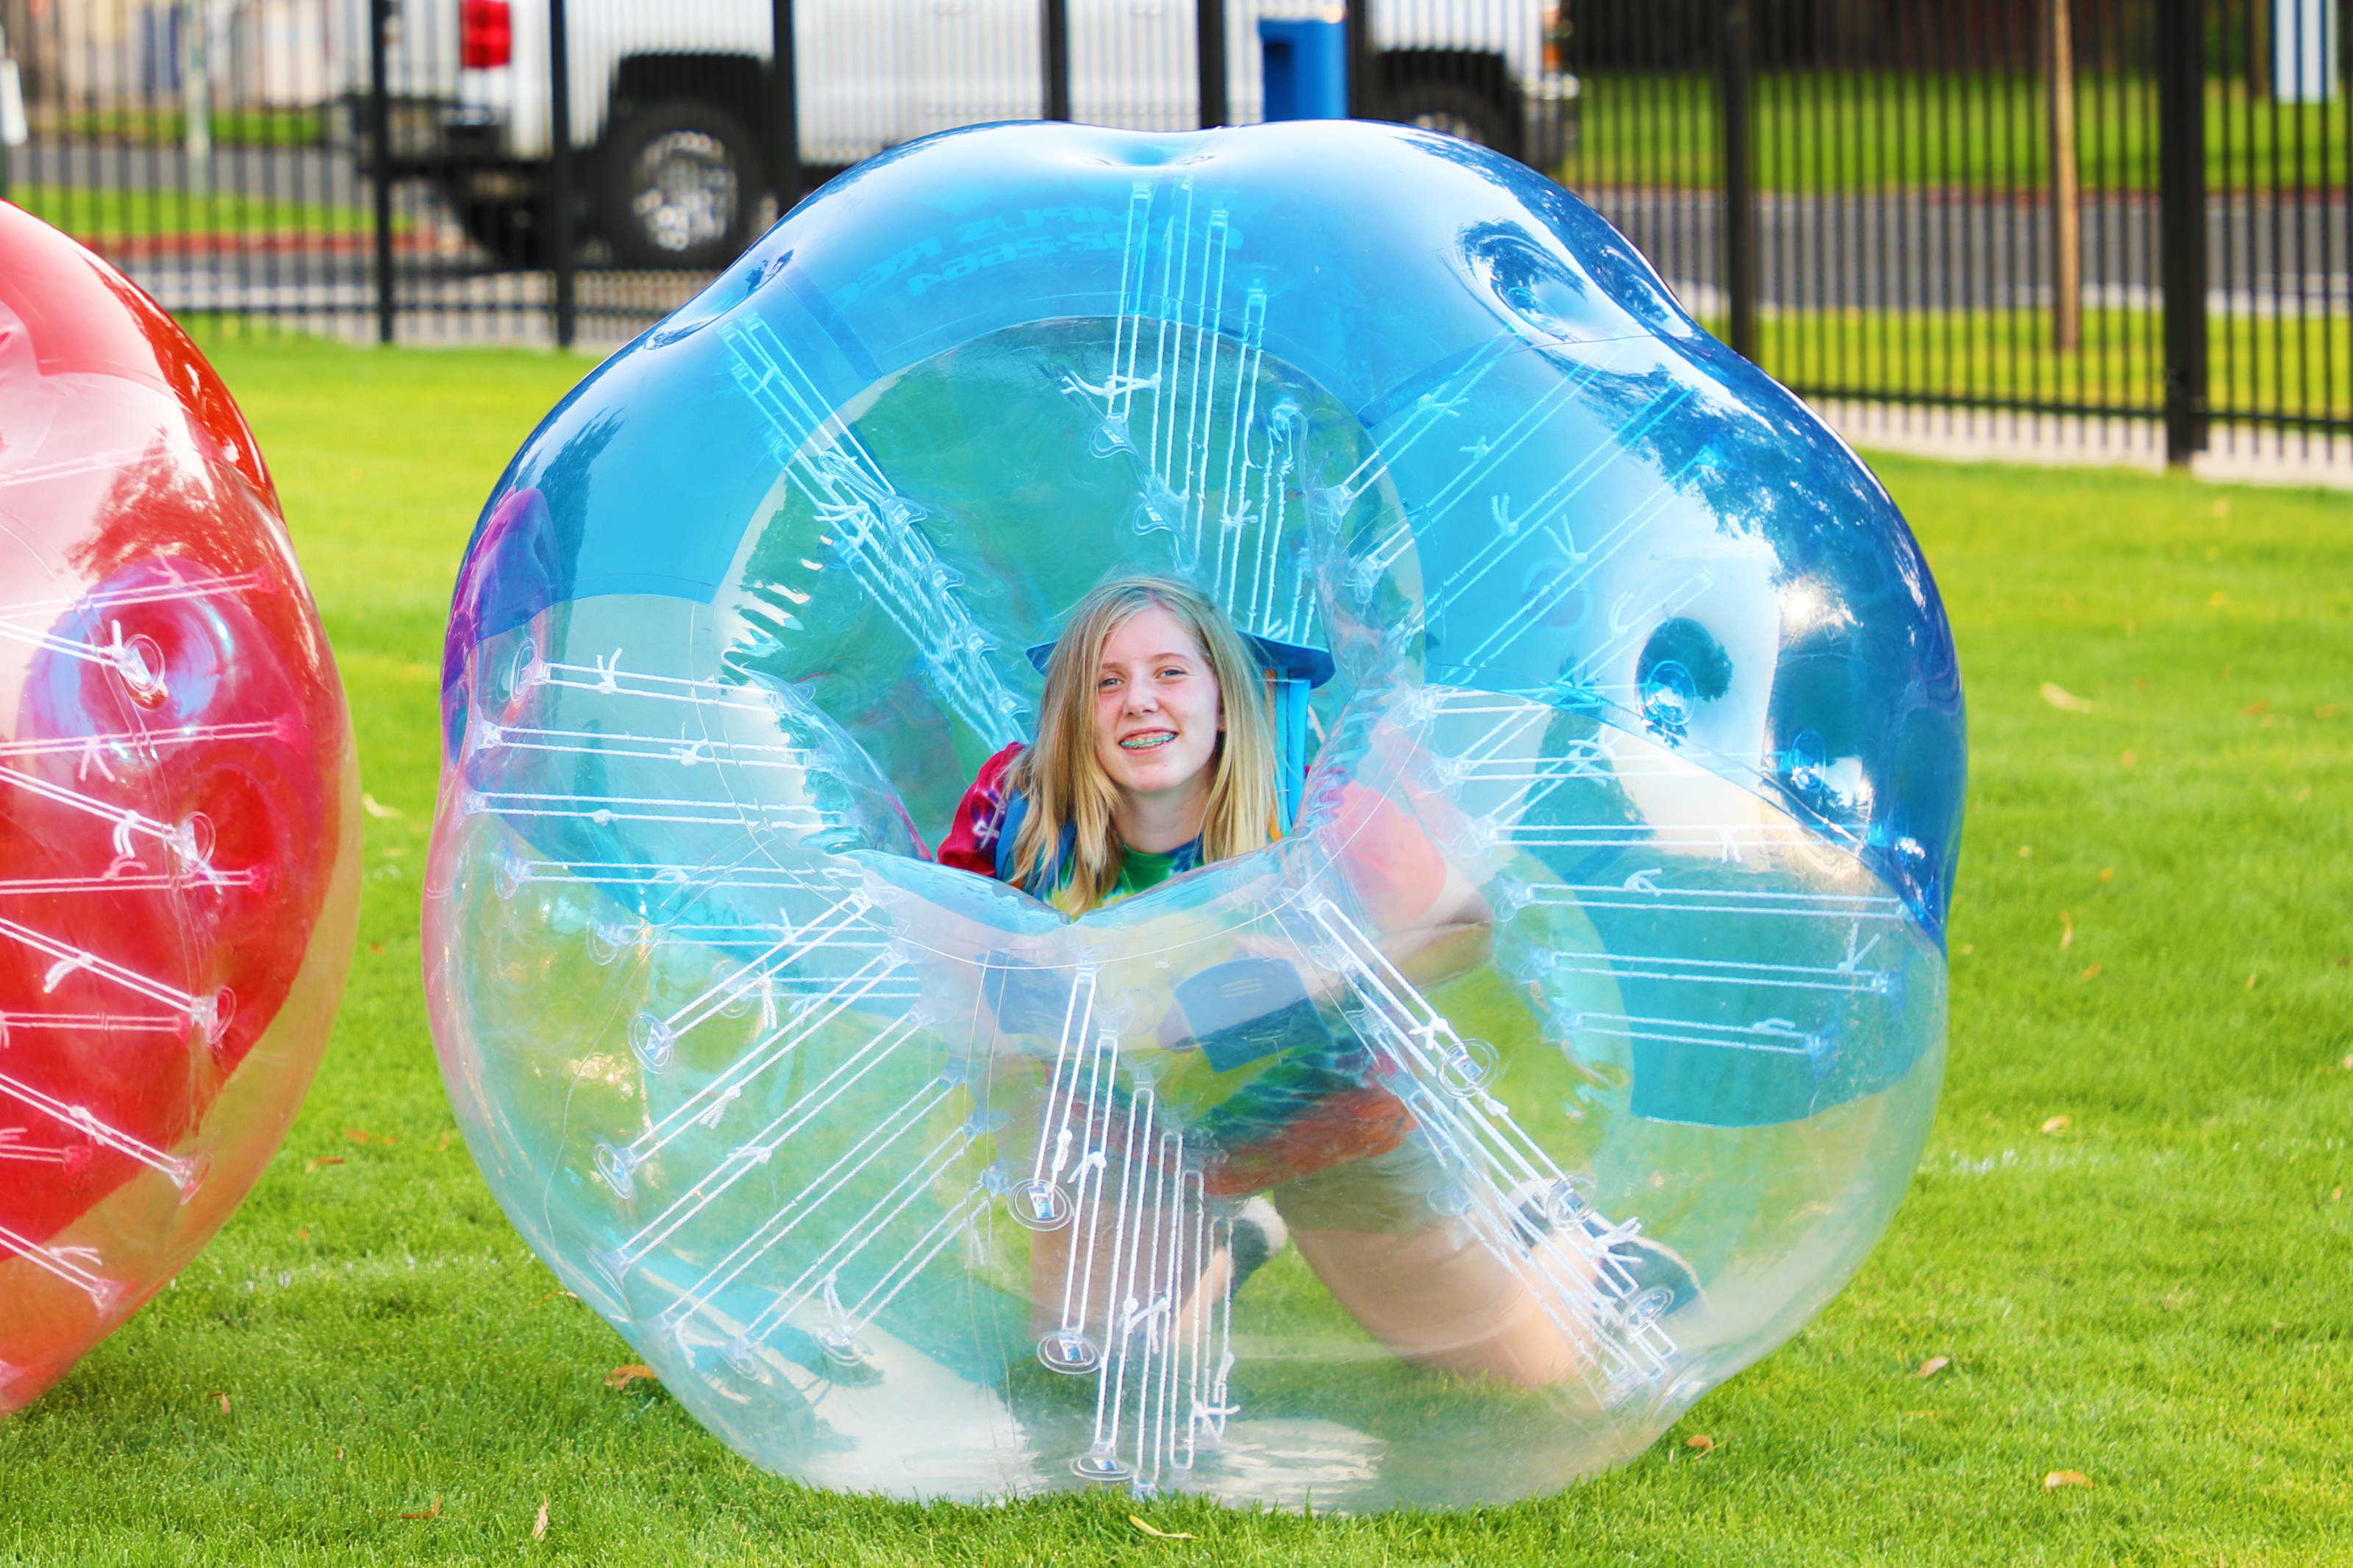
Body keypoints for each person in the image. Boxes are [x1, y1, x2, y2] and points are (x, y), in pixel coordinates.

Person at [943, 574, 1592, 1389]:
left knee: (1521, 1380)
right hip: (1127, 1130)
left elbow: (1465, 925)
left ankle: (1561, 1238)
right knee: (1095, 1377)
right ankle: (1223, 1248)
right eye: (1105, 682)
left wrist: (1303, 977)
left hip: (1321, 1109)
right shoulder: (1018, 810)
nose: (1137, 701)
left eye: (1170, 673)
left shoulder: (1319, 805)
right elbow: (959, 961)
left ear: (1225, 697)